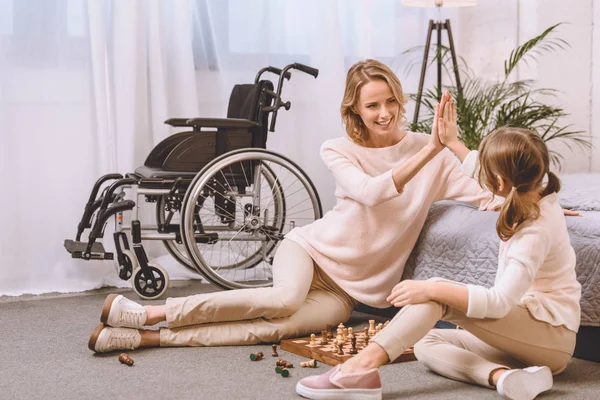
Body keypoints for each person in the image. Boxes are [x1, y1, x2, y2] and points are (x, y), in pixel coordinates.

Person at [87, 60, 500, 353]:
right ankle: (150, 313)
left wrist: (538, 206)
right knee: (284, 299)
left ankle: (148, 338)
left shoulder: (430, 154)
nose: (385, 113)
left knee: (274, 329)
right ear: (354, 108)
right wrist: (432, 149)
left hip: (348, 292)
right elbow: (373, 192)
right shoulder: (339, 149)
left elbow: (486, 194)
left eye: (390, 101)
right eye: (373, 105)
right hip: (311, 252)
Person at [295, 101, 581, 400]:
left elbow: (498, 303)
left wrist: (433, 287)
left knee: (436, 298)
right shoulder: (534, 187)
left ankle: (359, 369)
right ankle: (505, 378)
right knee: (426, 343)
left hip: (550, 337)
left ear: (499, 181)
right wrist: (453, 142)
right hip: (528, 338)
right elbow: (483, 169)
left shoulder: (533, 229)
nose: (478, 172)